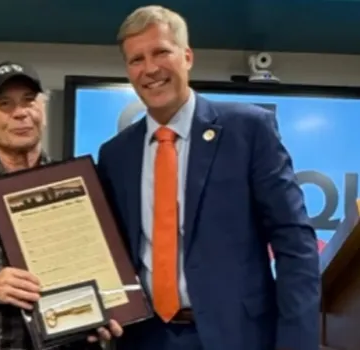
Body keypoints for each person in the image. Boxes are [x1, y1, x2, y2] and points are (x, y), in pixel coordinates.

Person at [96, 5, 320, 350]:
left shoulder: (249, 130)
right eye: (136, 59)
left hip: (236, 338)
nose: (150, 69)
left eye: (161, 52)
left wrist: (296, 342)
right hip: (145, 339)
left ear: (187, 56)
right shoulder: (115, 154)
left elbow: (295, 243)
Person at [0, 61, 123, 349]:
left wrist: (114, 310)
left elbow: (110, 269)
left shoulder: (81, 184)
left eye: (29, 101)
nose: (20, 113)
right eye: (4, 104)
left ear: (42, 110)